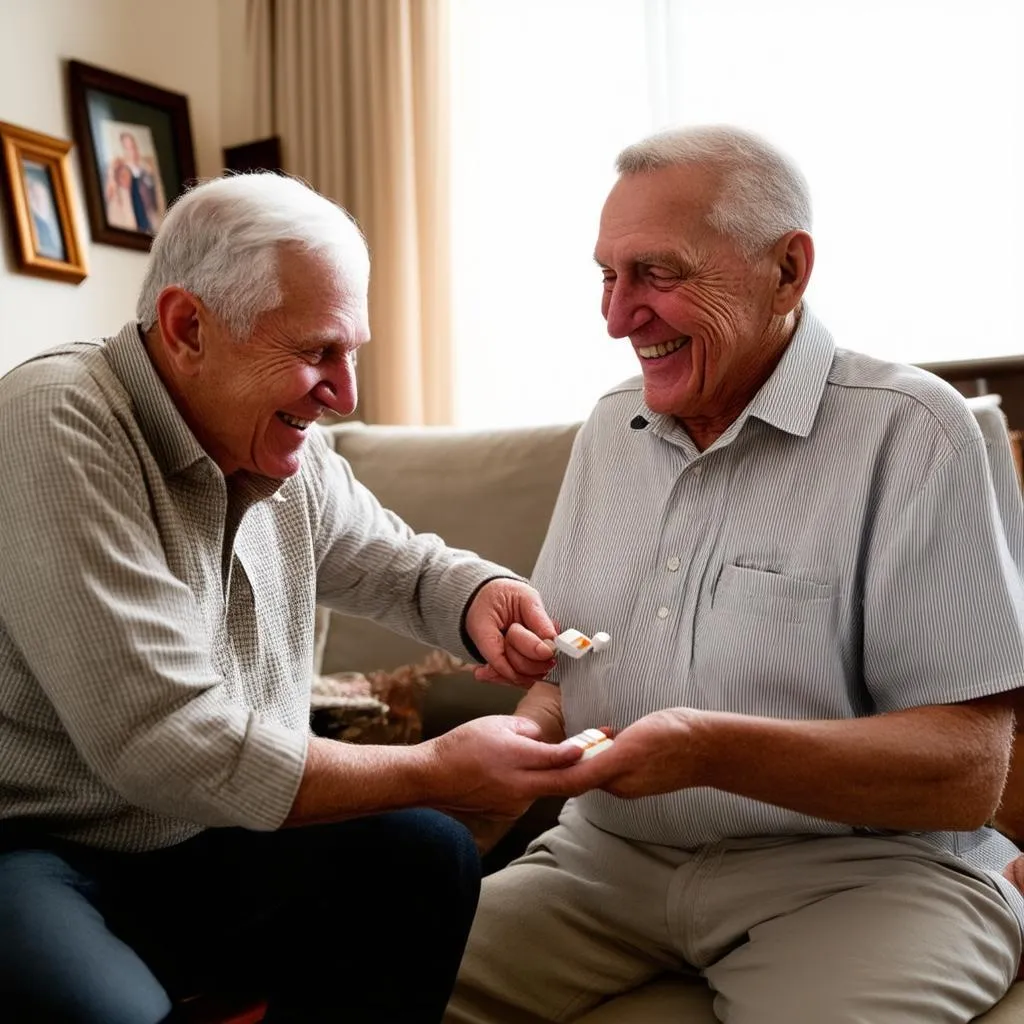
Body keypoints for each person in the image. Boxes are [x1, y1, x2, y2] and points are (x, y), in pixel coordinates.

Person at [445, 126, 1024, 1024]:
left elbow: (964, 773)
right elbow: (573, 674)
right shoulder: (610, 431)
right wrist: (534, 738)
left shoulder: (915, 431)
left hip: (864, 877)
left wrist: (710, 750)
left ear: (787, 271)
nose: (615, 316)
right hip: (605, 862)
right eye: (606, 275)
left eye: (657, 274)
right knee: (373, 986)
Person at [0, 172, 596, 1023]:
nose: (346, 393)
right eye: (319, 351)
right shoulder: (57, 423)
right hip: (36, 847)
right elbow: (168, 745)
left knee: (422, 857)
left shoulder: (285, 446)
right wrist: (435, 768)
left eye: (351, 352)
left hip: (200, 840)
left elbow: (398, 563)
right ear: (186, 328)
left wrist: (480, 596)